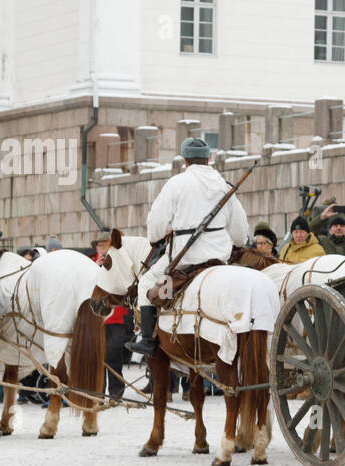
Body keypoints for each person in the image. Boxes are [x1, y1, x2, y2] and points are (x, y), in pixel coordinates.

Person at [127, 137, 251, 357]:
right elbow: (240, 233)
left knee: (147, 280)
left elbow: (155, 225)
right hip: (220, 259)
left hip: (185, 260)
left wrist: (156, 236)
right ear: (208, 159)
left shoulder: (176, 184)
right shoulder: (224, 185)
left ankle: (148, 340)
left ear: (185, 160)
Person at [92, 237, 130, 399]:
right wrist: (97, 268)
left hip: (117, 317)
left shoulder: (119, 263)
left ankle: (116, 392)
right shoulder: (90, 264)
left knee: (114, 354)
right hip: (97, 318)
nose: (104, 249)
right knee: (98, 357)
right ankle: (98, 392)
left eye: (106, 245)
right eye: (101, 246)